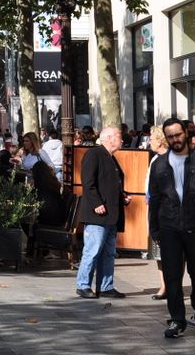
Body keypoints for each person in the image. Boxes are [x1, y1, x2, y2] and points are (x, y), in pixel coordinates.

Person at [148, 117, 195, 339]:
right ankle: (177, 320)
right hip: (169, 227)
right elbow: (154, 199)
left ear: (186, 134)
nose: (175, 140)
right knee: (172, 277)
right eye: (170, 136)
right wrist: (154, 230)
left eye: (178, 135)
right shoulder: (159, 164)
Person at [75, 126, 131, 299]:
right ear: (108, 138)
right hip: (97, 214)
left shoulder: (111, 157)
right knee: (93, 250)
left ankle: (106, 286)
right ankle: (83, 285)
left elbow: (110, 184)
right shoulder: (94, 155)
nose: (122, 140)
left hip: (111, 214)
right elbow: (88, 182)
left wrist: (122, 197)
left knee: (108, 252)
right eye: (119, 137)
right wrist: (96, 202)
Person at [143, 124, 170, 300]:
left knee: (173, 254)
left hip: (168, 211)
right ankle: (164, 286)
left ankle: (173, 285)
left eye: (151, 138)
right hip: (154, 209)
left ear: (160, 140)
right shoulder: (154, 160)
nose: (148, 142)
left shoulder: (171, 159)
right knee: (159, 253)